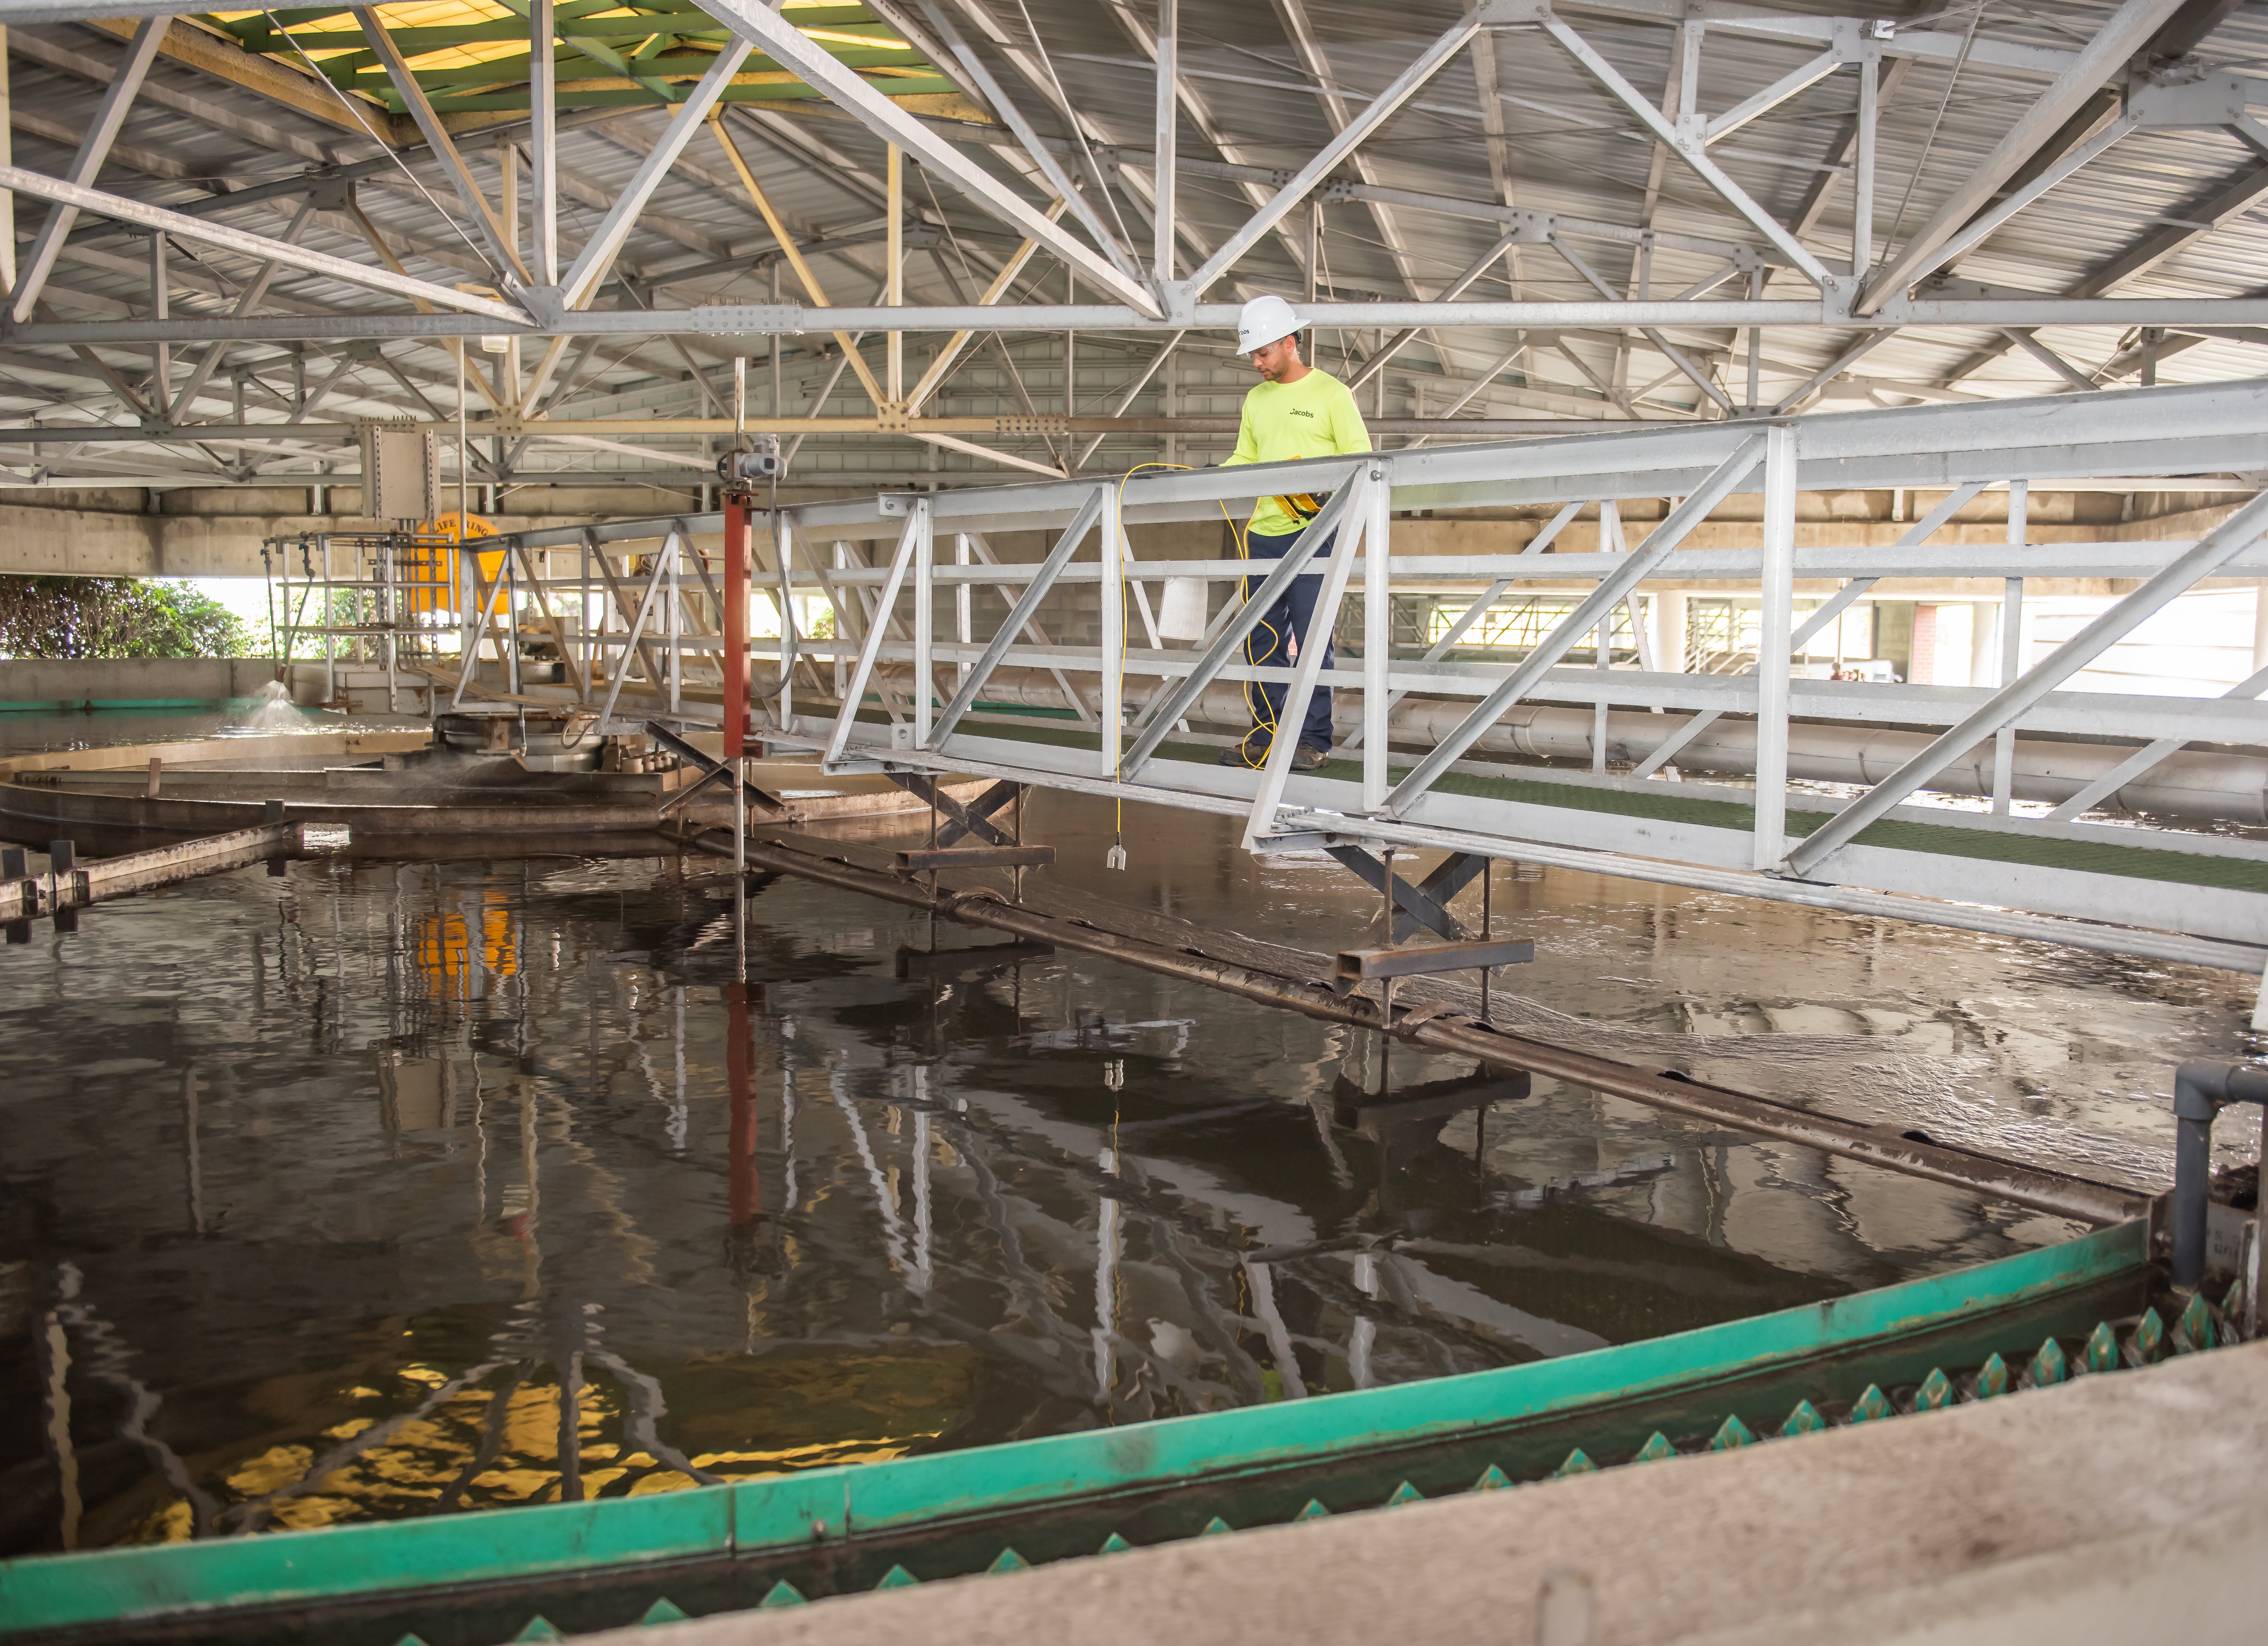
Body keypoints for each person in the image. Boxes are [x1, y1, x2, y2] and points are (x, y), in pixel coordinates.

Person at [1218, 293, 1372, 770]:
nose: (1257, 364)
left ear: (1289, 343)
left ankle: (1311, 740)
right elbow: (1246, 457)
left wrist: (1330, 502)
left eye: (1263, 353)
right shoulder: (1255, 400)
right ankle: (1268, 733)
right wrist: (1204, 476)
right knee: (1260, 639)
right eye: (1252, 356)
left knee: (1311, 640)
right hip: (1262, 534)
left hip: (1315, 533)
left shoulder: (1331, 394)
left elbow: (1360, 458)